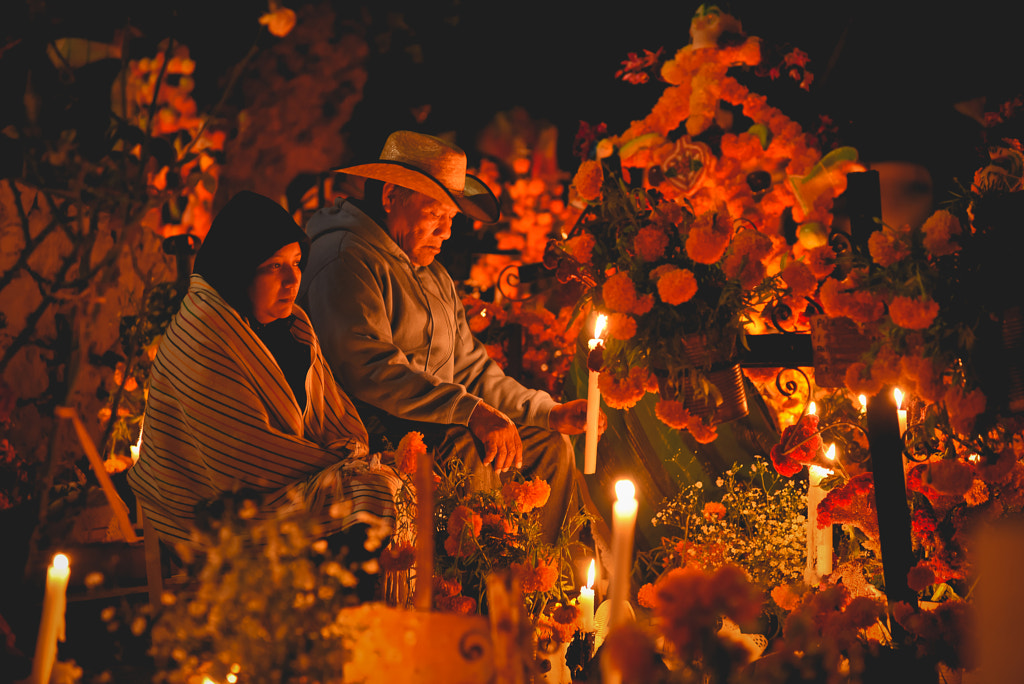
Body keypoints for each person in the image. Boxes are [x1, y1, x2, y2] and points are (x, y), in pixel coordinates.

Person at [300, 131, 601, 544]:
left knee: (550, 446)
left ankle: (541, 581)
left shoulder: (430, 271)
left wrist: (546, 411)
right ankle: (478, 591)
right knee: (469, 449)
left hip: (446, 419)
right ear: (391, 197)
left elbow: (471, 366)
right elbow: (369, 369)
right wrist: (472, 412)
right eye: (435, 214)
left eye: (452, 218)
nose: (446, 231)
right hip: (378, 430)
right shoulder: (345, 258)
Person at [128, 190, 400, 557]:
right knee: (368, 497)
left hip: (287, 485)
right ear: (238, 269)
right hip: (213, 512)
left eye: (297, 263)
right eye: (274, 266)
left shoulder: (293, 328)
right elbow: (239, 459)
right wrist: (343, 471)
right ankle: (329, 610)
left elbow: (336, 419)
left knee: (387, 488)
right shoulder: (205, 335)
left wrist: (347, 464)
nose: (292, 280)